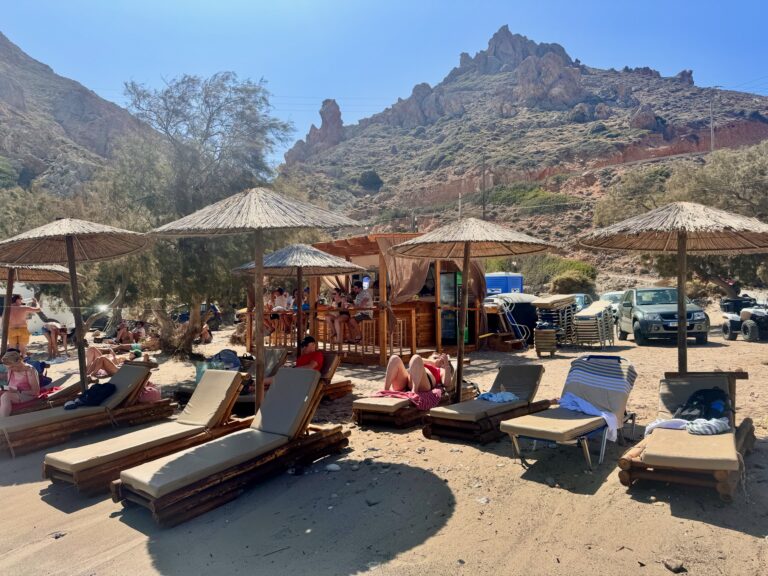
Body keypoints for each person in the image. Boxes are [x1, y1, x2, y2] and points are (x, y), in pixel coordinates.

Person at [384, 353, 452, 394]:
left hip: (424, 384)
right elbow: (415, 359)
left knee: (416, 357)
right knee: (394, 358)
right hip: (408, 381)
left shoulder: (441, 370)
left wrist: (446, 365)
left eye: (441, 360)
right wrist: (432, 362)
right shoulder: (423, 361)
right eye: (436, 357)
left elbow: (447, 383)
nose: (438, 360)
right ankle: (385, 390)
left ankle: (414, 391)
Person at [0, 350, 41, 416]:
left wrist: (18, 390)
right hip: (15, 394)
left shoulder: (30, 370)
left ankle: (3, 422)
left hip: (28, 395)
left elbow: (35, 392)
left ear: (18, 362)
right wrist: (3, 388)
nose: (10, 369)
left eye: (11, 367)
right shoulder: (10, 370)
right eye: (8, 367)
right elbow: (11, 387)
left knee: (5, 396)